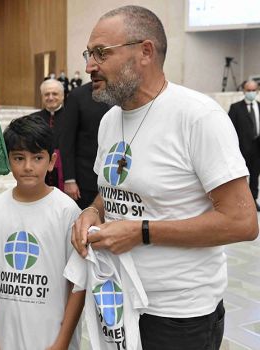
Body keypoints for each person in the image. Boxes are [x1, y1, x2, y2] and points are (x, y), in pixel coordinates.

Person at [72, 5, 258, 350]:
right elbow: (109, 192)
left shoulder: (198, 117)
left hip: (179, 317)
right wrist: (92, 212)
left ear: (145, 51)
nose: (89, 66)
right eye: (89, 53)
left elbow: (243, 222)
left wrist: (141, 232)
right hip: (117, 303)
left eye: (101, 53)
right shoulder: (109, 120)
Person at [0, 114, 86, 350]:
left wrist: (62, 342)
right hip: (3, 339)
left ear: (52, 161)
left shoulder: (66, 211)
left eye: (37, 158)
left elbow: (79, 283)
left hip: (49, 339)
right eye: (19, 158)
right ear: (8, 160)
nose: (28, 167)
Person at [58, 82, 111, 209]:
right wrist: (69, 179)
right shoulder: (77, 96)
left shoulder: (124, 94)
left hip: (117, 179)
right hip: (86, 181)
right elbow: (67, 139)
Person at [228, 80, 260, 211]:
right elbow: (229, 129)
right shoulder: (235, 108)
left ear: (257, 91)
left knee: (255, 175)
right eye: (248, 90)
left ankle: (253, 200)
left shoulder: (259, 106)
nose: (251, 93)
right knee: (240, 177)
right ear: (243, 91)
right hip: (241, 149)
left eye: (254, 90)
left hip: (258, 149)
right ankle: (240, 202)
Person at [30, 78, 65, 190]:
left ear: (63, 96)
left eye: (55, 94)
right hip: (41, 169)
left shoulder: (71, 116)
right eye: (46, 94)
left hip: (65, 169)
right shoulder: (33, 119)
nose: (50, 97)